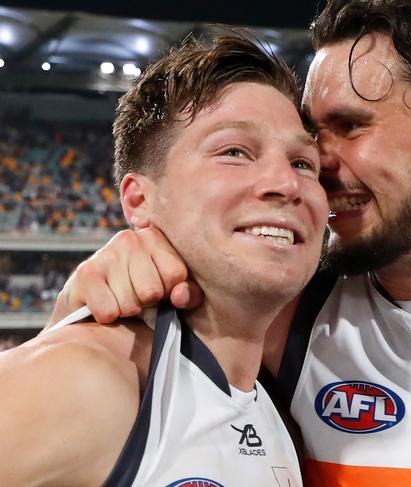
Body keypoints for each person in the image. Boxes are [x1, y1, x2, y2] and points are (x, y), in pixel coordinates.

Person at [49, 0, 411, 485]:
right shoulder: (279, 314)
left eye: (351, 127)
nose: (314, 163)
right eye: (315, 133)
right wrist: (94, 284)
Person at [0, 35, 328, 486]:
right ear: (139, 199)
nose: (286, 182)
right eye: (234, 152)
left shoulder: (277, 410)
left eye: (304, 163)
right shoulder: (85, 382)